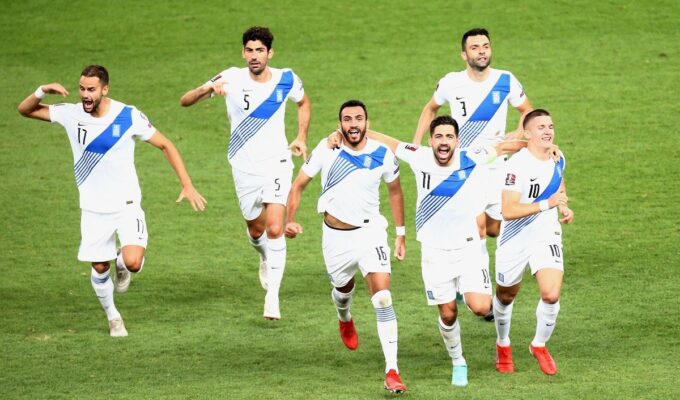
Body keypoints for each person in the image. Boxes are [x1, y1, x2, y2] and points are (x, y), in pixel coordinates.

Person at [17, 64, 206, 337]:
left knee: (133, 262)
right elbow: (25, 110)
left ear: (104, 89)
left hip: (126, 204)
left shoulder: (127, 116)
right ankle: (113, 316)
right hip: (93, 209)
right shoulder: (70, 113)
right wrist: (41, 90)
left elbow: (166, 144)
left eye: (91, 90)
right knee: (98, 267)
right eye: (82, 89)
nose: (85, 95)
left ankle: (121, 262)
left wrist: (187, 184)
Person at [354, 116, 529, 387]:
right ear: (431, 140)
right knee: (448, 314)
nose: (444, 142)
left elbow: (506, 146)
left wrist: (543, 146)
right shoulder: (420, 157)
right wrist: (349, 133)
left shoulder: (472, 156)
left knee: (481, 306)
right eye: (439, 137)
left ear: (457, 141)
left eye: (449, 137)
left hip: (469, 247)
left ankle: (473, 305)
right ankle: (458, 361)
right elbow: (391, 143)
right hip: (434, 252)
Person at [179, 26, 311, 320]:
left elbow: (303, 102)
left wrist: (301, 136)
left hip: (277, 162)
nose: (254, 56)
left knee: (275, 228)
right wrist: (207, 90)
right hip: (243, 168)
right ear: (243, 53)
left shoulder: (286, 78)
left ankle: (272, 298)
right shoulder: (230, 77)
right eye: (249, 50)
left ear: (270, 53)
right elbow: (184, 100)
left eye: (260, 50)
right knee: (256, 229)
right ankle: (264, 256)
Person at [285, 100, 407, 394]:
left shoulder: (382, 154)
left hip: (371, 233)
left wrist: (400, 234)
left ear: (367, 122)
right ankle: (344, 317)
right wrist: (290, 219)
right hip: (336, 239)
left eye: (358, 118)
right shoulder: (327, 148)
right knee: (343, 290)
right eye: (347, 119)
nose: (353, 124)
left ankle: (392, 371)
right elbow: (298, 185)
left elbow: (395, 191)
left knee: (383, 298)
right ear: (339, 124)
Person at [412, 28, 532, 240]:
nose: (482, 51)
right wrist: (416, 142)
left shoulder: (505, 80)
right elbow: (431, 108)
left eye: (485, 46)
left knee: (494, 229)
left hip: (496, 163)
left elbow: (527, 111)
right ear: (464, 55)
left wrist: (519, 130)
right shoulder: (451, 82)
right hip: (465, 164)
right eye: (475, 48)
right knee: (476, 228)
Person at [492, 109, 574, 376]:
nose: (548, 131)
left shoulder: (558, 157)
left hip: (546, 235)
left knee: (551, 294)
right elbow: (508, 210)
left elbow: (558, 184)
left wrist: (563, 206)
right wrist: (547, 204)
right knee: (506, 296)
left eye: (550, 126)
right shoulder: (516, 166)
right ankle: (503, 343)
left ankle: (539, 344)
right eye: (541, 127)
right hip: (514, 238)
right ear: (527, 133)